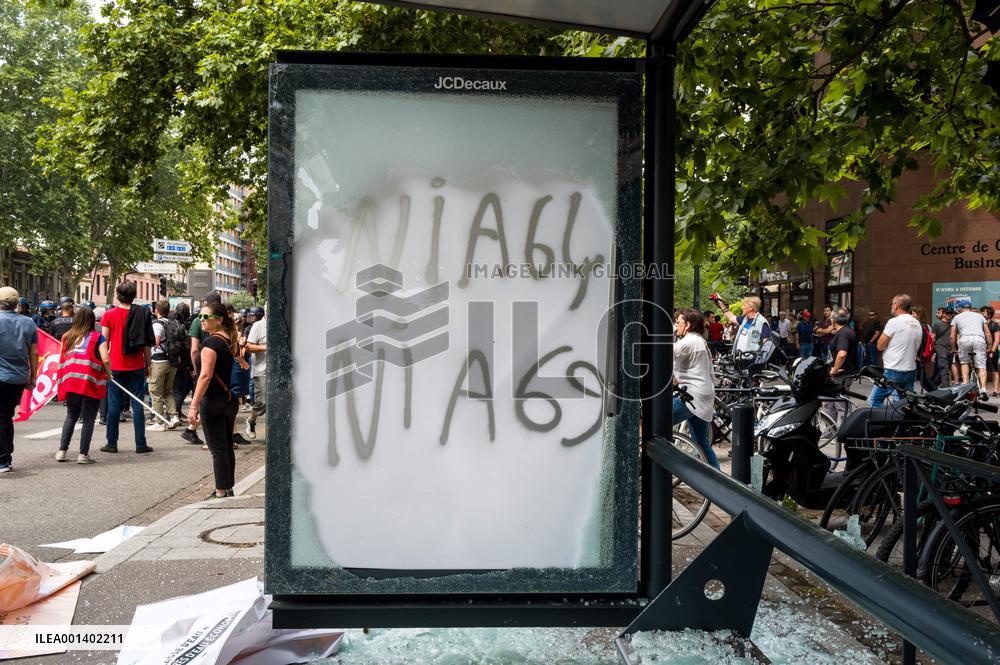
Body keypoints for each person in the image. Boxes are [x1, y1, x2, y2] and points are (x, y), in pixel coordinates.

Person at [188, 303, 239, 498]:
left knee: (218, 448)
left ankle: (220, 491)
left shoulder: (211, 343)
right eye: (200, 316)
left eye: (206, 317)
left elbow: (205, 376)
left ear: (219, 320)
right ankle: (227, 487)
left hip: (213, 401)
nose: (201, 320)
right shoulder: (229, 340)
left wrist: (194, 406)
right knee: (226, 445)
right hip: (228, 400)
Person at [100, 280, 155, 454]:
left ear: (117, 295)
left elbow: (104, 342)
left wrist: (103, 364)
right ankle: (141, 444)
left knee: (114, 406)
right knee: (137, 404)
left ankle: (112, 443)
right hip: (136, 364)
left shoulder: (109, 315)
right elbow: (146, 344)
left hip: (115, 365)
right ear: (134, 296)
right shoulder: (143, 313)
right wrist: (148, 363)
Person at [54, 307, 111, 464]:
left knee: (71, 415)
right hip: (89, 381)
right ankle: (83, 454)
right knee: (88, 418)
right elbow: (105, 359)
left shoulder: (67, 336)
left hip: (71, 380)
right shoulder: (98, 337)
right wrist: (109, 373)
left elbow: (62, 358)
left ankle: (62, 451)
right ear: (92, 321)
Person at [672, 308, 718, 469]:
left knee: (655, 423)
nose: (676, 325)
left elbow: (663, 354)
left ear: (688, 324)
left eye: (678, 322)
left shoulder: (689, 341)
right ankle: (716, 478)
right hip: (703, 395)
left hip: (691, 396)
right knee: (702, 442)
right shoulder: (699, 340)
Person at [0, 287, 38, 474]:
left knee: (2, 417)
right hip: (19, 378)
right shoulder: (29, 323)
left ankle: (3, 459)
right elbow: (34, 353)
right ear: (17, 304)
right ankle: (6, 455)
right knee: (6, 416)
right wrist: (32, 377)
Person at [181, 293, 222, 446]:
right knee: (211, 401)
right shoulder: (220, 319)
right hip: (218, 365)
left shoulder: (198, 321)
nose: (203, 319)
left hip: (202, 364)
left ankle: (192, 429)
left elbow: (194, 349)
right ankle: (200, 433)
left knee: (207, 398)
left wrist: (196, 369)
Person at [869, 294, 922, 407]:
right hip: (911, 370)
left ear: (896, 305)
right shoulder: (916, 323)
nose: (891, 306)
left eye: (891, 303)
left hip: (894, 369)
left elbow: (880, 345)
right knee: (904, 404)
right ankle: (898, 418)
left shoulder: (894, 322)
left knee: (874, 401)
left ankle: (886, 418)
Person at [149, 299, 180, 431]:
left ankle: (159, 422)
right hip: (172, 361)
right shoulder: (171, 323)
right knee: (168, 391)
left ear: (156, 310)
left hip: (159, 362)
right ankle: (174, 416)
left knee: (155, 392)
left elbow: (156, 342)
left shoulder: (157, 325)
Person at [951, 299, 992, 390]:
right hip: (979, 340)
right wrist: (989, 348)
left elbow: (952, 335)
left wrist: (953, 349)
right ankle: (983, 389)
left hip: (964, 340)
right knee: (981, 366)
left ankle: (965, 384)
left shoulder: (957, 317)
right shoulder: (980, 316)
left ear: (960, 308)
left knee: (964, 362)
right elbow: (988, 333)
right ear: (970, 307)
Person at [244, 306, 266, 440]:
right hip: (262, 370)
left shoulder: (282, 323)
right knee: (262, 402)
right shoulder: (258, 326)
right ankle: (251, 421)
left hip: (280, 369)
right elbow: (248, 347)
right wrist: (267, 347)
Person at [171, 302, 195, 422]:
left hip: (178, 361)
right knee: (179, 390)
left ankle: (177, 412)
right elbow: (187, 345)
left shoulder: (173, 323)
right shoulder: (181, 326)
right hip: (181, 361)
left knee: (185, 386)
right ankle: (175, 414)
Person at [829, 307, 858, 377]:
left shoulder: (843, 333)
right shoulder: (847, 331)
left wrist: (834, 370)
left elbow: (842, 354)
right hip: (846, 373)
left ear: (833, 320)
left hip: (842, 375)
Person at [912, 306, 935, 391]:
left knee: (921, 377)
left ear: (919, 314)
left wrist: (918, 355)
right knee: (922, 377)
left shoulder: (919, 326)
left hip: (918, 355)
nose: (911, 315)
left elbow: (923, 342)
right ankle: (934, 392)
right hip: (920, 354)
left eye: (913, 313)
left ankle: (934, 392)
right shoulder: (926, 326)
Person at [930, 308, 954, 389]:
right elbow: (932, 337)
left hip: (950, 349)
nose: (949, 315)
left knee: (939, 368)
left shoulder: (952, 324)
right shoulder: (937, 324)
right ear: (943, 314)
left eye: (951, 313)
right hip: (940, 347)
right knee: (944, 367)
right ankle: (946, 387)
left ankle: (932, 386)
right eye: (947, 313)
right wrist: (931, 350)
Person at [981, 306, 1000, 398]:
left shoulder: (994, 325)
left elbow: (997, 339)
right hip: (981, 350)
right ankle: (982, 389)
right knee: (982, 370)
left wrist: (992, 350)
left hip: (992, 351)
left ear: (988, 314)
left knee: (994, 370)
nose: (981, 314)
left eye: (983, 312)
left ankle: (995, 391)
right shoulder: (980, 324)